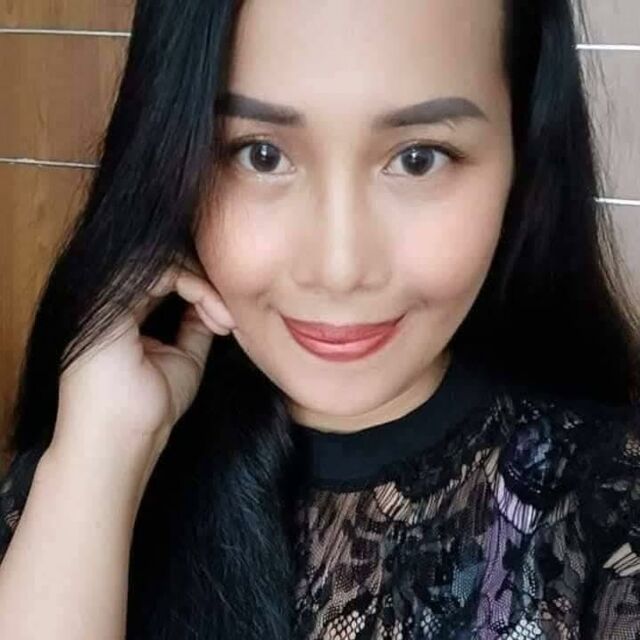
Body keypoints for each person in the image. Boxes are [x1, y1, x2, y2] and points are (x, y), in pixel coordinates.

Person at [0, 0, 639, 637]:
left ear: (522, 155)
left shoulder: (611, 515)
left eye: (419, 157)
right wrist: (99, 458)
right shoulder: (91, 456)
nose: (338, 269)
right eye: (260, 155)